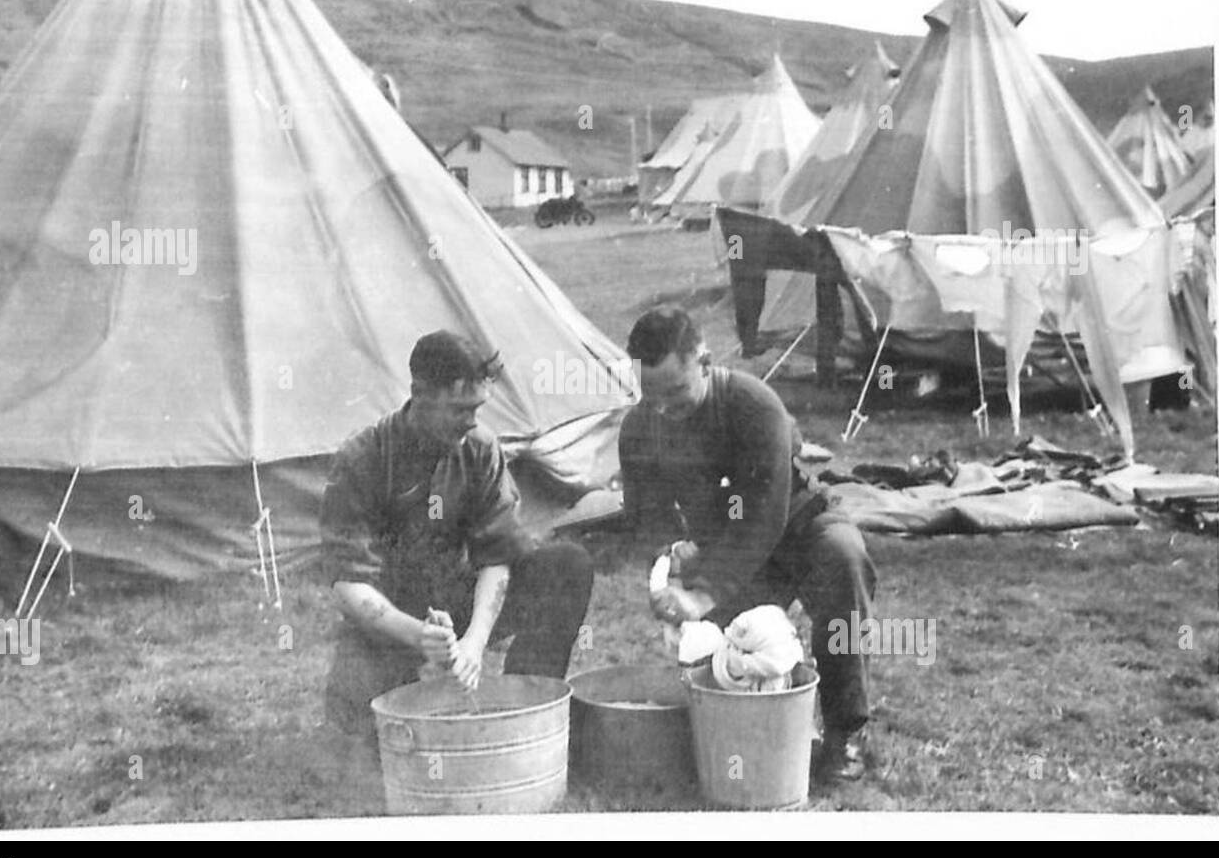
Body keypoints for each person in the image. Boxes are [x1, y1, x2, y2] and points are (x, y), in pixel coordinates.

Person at [618, 306, 878, 783]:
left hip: (798, 525)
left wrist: (703, 592)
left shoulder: (754, 404)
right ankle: (732, 732)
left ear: (707, 362)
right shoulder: (639, 428)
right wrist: (669, 559)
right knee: (719, 658)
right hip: (724, 548)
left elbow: (762, 514)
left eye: (675, 393)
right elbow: (646, 516)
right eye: (649, 395)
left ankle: (846, 730)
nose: (662, 409)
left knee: (844, 559)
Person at [320, 330, 594, 736]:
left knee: (566, 564)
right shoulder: (363, 458)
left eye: (477, 408)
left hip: (454, 599)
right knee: (363, 734)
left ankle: (527, 709)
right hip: (388, 618)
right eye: (459, 409)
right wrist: (420, 637)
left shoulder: (480, 449)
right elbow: (349, 585)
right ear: (421, 394)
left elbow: (497, 555)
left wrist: (473, 643)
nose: (471, 422)